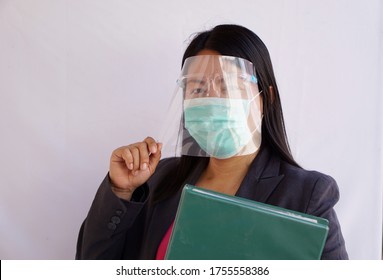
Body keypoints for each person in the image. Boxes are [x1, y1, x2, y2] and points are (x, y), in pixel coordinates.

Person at [76, 24, 348, 260]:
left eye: (228, 84)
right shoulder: (157, 180)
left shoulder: (307, 194)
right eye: (197, 88)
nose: (211, 99)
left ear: (267, 97)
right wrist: (121, 191)